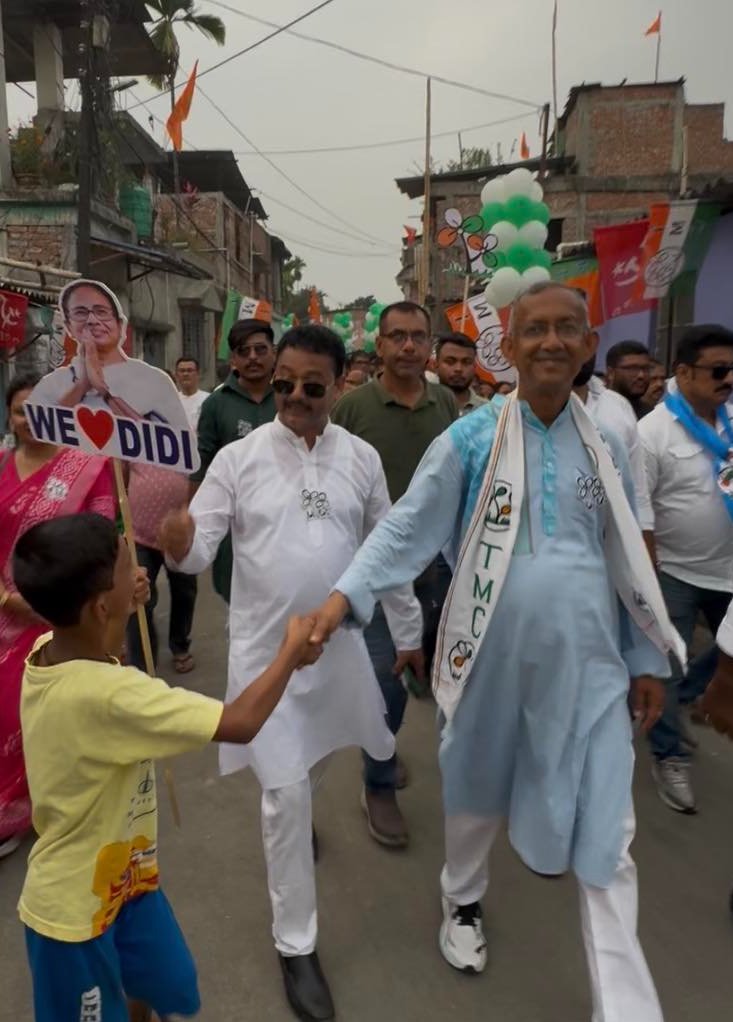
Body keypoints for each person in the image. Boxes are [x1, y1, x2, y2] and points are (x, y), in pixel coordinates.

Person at [309, 282, 681, 1022]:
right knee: (474, 796)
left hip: (590, 669)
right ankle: (462, 903)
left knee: (608, 831)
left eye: (564, 330)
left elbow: (626, 563)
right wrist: (342, 596)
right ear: (505, 350)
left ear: (585, 346)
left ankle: (627, 1006)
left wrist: (643, 660)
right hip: (485, 660)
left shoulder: (607, 443)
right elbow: (406, 528)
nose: (549, 342)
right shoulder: (471, 438)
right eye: (532, 330)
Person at [160, 325, 423, 1022]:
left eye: (312, 386)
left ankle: (299, 815)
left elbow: (386, 546)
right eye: (283, 384)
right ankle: (296, 944)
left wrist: (408, 632)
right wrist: (181, 545)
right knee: (283, 798)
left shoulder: (361, 458)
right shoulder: (240, 459)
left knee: (313, 766)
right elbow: (197, 549)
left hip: (334, 651)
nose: (295, 398)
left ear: (340, 385)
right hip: (263, 656)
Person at [13, 512, 320, 1022]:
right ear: (98, 605)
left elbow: (98, 644)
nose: (140, 574)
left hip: (126, 880)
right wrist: (289, 652)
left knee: (161, 981)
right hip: (70, 914)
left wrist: (118, 609)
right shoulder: (110, 696)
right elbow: (241, 722)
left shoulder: (51, 648)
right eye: (127, 568)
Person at [331, 301, 457, 847]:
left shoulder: (445, 402)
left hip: (440, 569)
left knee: (433, 676)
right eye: (397, 337)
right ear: (379, 346)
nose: (409, 346)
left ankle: (384, 742)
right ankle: (378, 783)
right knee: (389, 680)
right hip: (376, 573)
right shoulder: (352, 408)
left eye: (418, 337)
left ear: (430, 345)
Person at [0, 373, 115, 861]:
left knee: (55, 718)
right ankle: (10, 811)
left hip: (66, 618)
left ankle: (60, 811)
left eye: (40, 409)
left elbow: (100, 544)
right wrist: (8, 601)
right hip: (6, 616)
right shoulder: (0, 467)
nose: (30, 420)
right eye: (21, 410)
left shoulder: (89, 467)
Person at [639, 324, 733, 813]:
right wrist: (648, 577)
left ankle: (694, 700)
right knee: (667, 667)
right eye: (718, 370)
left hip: (729, 572)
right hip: (674, 573)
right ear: (683, 372)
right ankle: (668, 754)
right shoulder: (652, 431)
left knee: (724, 658)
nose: (728, 379)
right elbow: (640, 509)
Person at [193, 318, 277, 603]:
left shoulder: (289, 397)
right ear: (233, 359)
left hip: (284, 516)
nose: (253, 357)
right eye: (244, 351)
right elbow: (201, 464)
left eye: (260, 349)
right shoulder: (216, 404)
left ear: (273, 353)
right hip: (235, 522)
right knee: (239, 604)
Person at [31, 280, 190, 431]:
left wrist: (103, 391)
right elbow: (39, 441)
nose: (92, 320)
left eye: (101, 312)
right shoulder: (51, 385)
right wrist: (82, 386)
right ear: (68, 326)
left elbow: (178, 449)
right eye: (80, 313)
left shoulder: (155, 381)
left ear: (120, 324)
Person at [573, 354, 654, 549]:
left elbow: (637, 489)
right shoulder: (500, 419)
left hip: (613, 547)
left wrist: (646, 550)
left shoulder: (618, 406)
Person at [125, 462, 198, 674]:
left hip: (181, 535)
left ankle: (180, 645)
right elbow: (120, 474)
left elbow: (200, 472)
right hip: (139, 534)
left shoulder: (187, 433)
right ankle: (143, 663)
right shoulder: (133, 433)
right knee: (138, 599)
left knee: (185, 593)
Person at [435, 332, 487, 416]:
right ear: (436, 365)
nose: (458, 369)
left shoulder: (490, 412)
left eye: (466, 362)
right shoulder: (423, 408)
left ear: (474, 367)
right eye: (450, 361)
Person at [605, 340, 651, 419]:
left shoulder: (652, 416)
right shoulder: (595, 411)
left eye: (645, 368)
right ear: (611, 373)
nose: (641, 375)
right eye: (632, 368)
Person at [175, 356, 209, 431]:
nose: (185, 374)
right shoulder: (172, 400)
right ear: (176, 375)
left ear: (198, 374)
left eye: (189, 370)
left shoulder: (208, 400)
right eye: (182, 371)